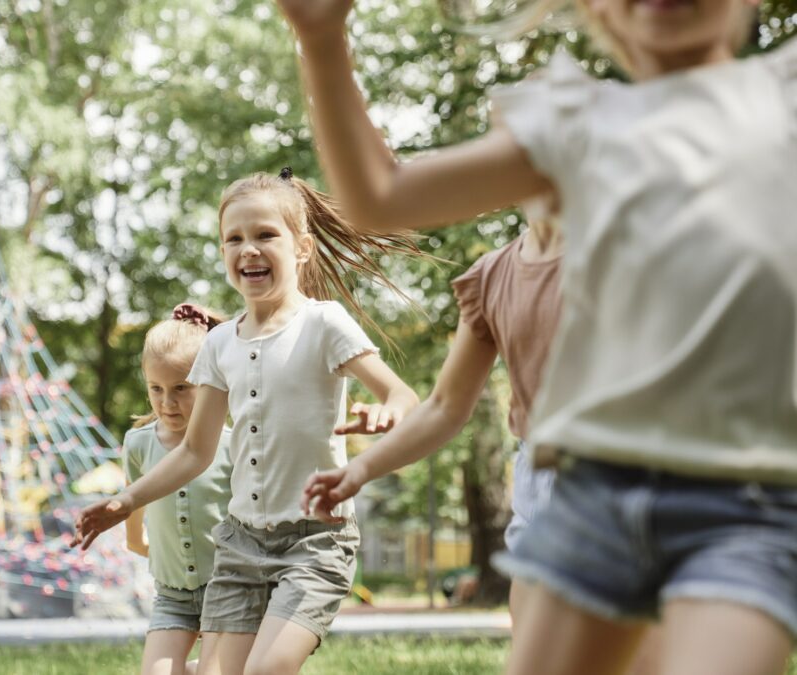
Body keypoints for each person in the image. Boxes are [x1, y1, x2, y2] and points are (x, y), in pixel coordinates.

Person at [277, 1, 797, 673]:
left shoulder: (782, 93)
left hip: (744, 502)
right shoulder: (578, 123)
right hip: (593, 491)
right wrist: (322, 38)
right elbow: (382, 197)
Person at [74, 168, 422, 675]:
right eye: (233, 238)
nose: (248, 249)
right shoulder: (218, 344)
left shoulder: (323, 324)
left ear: (301, 248)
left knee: (265, 670)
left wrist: (387, 410)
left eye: (265, 235)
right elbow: (195, 451)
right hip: (239, 545)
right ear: (222, 254)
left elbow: (401, 392)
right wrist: (126, 501)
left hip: (315, 542)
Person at [300, 197, 563, 630]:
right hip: (543, 478)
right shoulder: (494, 277)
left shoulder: (636, 247)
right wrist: (362, 468)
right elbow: (444, 407)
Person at [123, 303, 232, 675]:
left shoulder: (232, 444)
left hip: (229, 590)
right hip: (173, 595)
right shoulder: (138, 445)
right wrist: (145, 547)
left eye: (181, 388)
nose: (167, 402)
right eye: (156, 388)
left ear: (209, 382)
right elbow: (133, 528)